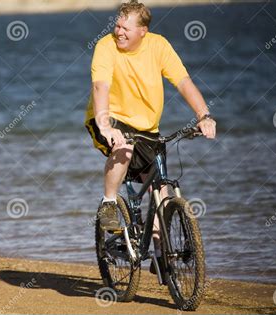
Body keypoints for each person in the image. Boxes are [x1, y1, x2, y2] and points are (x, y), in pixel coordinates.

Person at [85, 1, 216, 272]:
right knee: (125, 149)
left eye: (126, 28)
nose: (118, 31)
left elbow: (183, 81)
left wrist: (203, 116)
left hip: (147, 128)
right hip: (108, 117)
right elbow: (100, 86)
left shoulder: (159, 46)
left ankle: (161, 253)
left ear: (143, 31)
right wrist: (107, 126)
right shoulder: (105, 47)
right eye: (117, 25)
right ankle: (109, 202)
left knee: (162, 191)